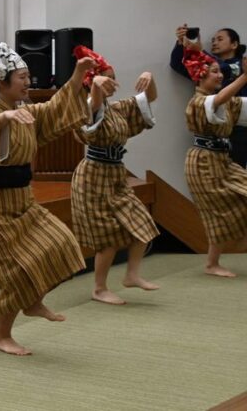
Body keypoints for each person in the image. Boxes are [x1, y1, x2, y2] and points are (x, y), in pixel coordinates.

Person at [0, 40, 96, 356]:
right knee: (16, 274)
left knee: (62, 244)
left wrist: (78, 74)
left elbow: (55, 108)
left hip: (22, 201)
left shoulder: (24, 111)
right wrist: (4, 119)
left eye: (28, 77)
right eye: (22, 78)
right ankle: (2, 336)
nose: (28, 83)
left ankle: (33, 301)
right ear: (2, 81)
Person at [68, 47, 160, 305]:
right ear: (92, 81)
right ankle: (99, 288)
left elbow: (149, 97)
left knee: (143, 224)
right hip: (93, 177)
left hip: (116, 174)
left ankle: (132, 275)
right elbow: (94, 106)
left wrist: (149, 76)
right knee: (107, 237)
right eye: (107, 78)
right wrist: (96, 84)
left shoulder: (117, 109)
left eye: (113, 78)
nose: (112, 82)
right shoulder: (87, 107)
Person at [180, 46, 247, 277]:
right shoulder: (198, 101)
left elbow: (233, 102)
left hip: (222, 161)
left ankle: (213, 262)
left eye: (220, 72)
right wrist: (244, 77)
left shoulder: (227, 101)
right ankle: (212, 264)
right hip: (202, 163)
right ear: (201, 75)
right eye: (215, 72)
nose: (220, 75)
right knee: (217, 212)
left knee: (228, 208)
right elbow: (217, 101)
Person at [169, 24, 247, 166]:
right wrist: (181, 43)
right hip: (209, 132)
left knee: (236, 170)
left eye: (220, 39)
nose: (214, 43)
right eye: (213, 40)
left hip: (237, 129)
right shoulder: (206, 68)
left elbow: (225, 70)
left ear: (234, 44)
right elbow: (177, 64)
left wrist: (199, 51)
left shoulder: (240, 65)